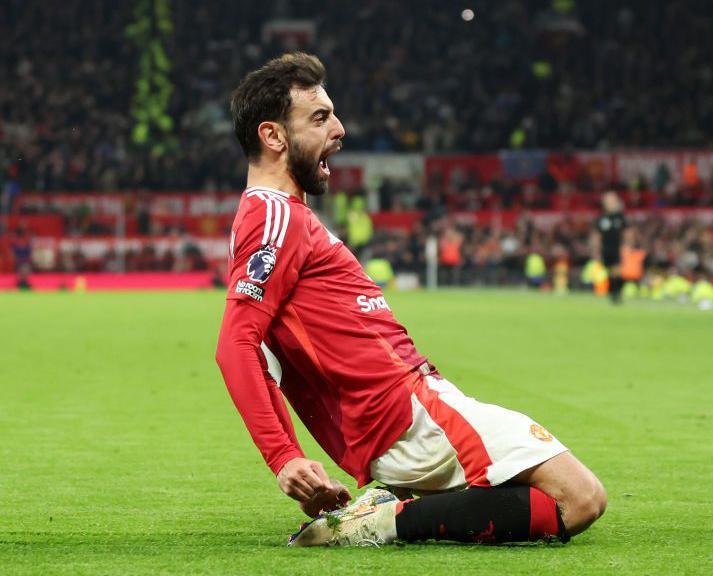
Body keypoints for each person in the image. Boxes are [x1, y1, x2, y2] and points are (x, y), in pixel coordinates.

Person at [215, 53, 605, 548]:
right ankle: (379, 522)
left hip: (408, 411)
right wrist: (284, 457)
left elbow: (263, 351)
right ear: (273, 136)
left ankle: (390, 504)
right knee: (581, 499)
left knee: (521, 496)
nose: (339, 128)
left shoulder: (274, 217)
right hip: (410, 412)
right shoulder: (275, 217)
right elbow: (237, 345)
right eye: (319, 118)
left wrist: (292, 457)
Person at [594, 191, 627, 304]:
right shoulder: (601, 218)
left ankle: (617, 293)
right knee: (609, 272)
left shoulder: (620, 217)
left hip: (617, 248)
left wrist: (627, 245)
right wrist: (597, 250)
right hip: (605, 249)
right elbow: (597, 236)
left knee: (617, 271)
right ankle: (612, 293)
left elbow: (627, 232)